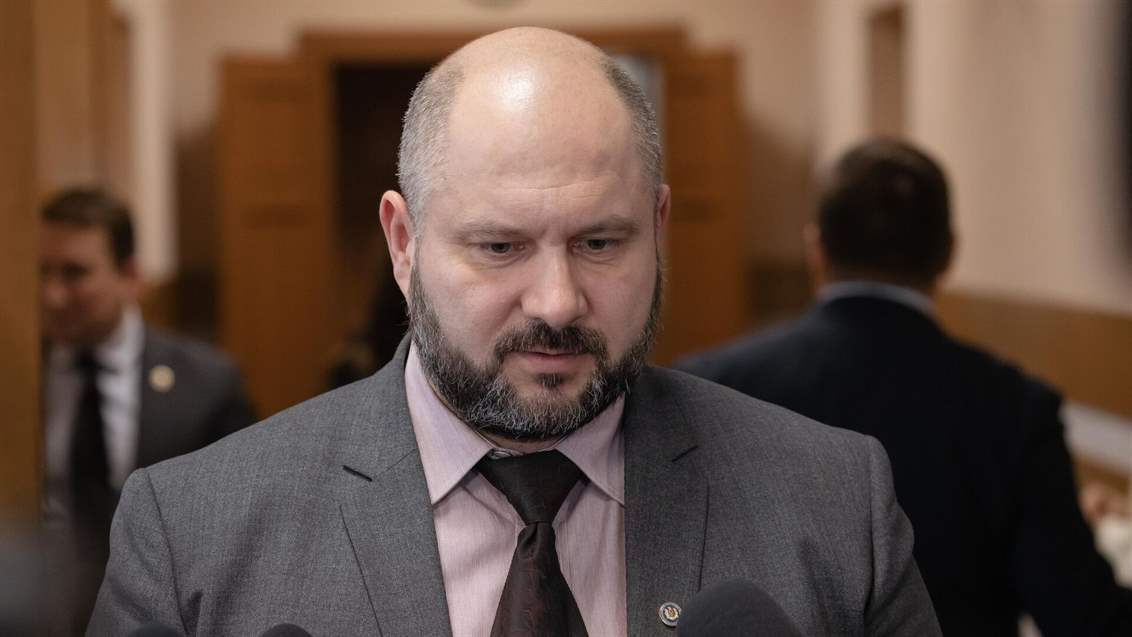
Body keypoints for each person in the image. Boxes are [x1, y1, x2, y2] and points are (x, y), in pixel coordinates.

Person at [89, 29, 940, 636]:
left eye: (600, 242)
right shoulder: (191, 532)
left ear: (658, 225)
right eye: (500, 247)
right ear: (403, 243)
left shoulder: (834, 504)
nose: (557, 303)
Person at [678, 139, 1132, 636]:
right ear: (949, 252)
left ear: (816, 250)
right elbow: (1084, 619)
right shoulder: (1015, 408)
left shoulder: (709, 387)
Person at [39, 188, 256, 634]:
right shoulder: (21, 383)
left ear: (130, 276)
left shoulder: (206, 385)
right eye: (43, 273)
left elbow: (243, 522)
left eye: (74, 274)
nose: (52, 295)